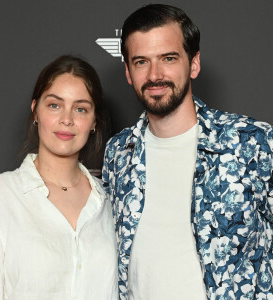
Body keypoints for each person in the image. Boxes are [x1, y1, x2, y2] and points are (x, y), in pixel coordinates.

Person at [102, 4, 273, 300]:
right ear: (128, 72)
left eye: (168, 58)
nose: (155, 75)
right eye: (141, 62)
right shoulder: (118, 153)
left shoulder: (251, 142)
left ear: (193, 64)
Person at [0, 55, 117, 299]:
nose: (67, 119)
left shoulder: (111, 203)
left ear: (94, 122)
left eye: (81, 109)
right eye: (54, 105)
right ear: (35, 111)